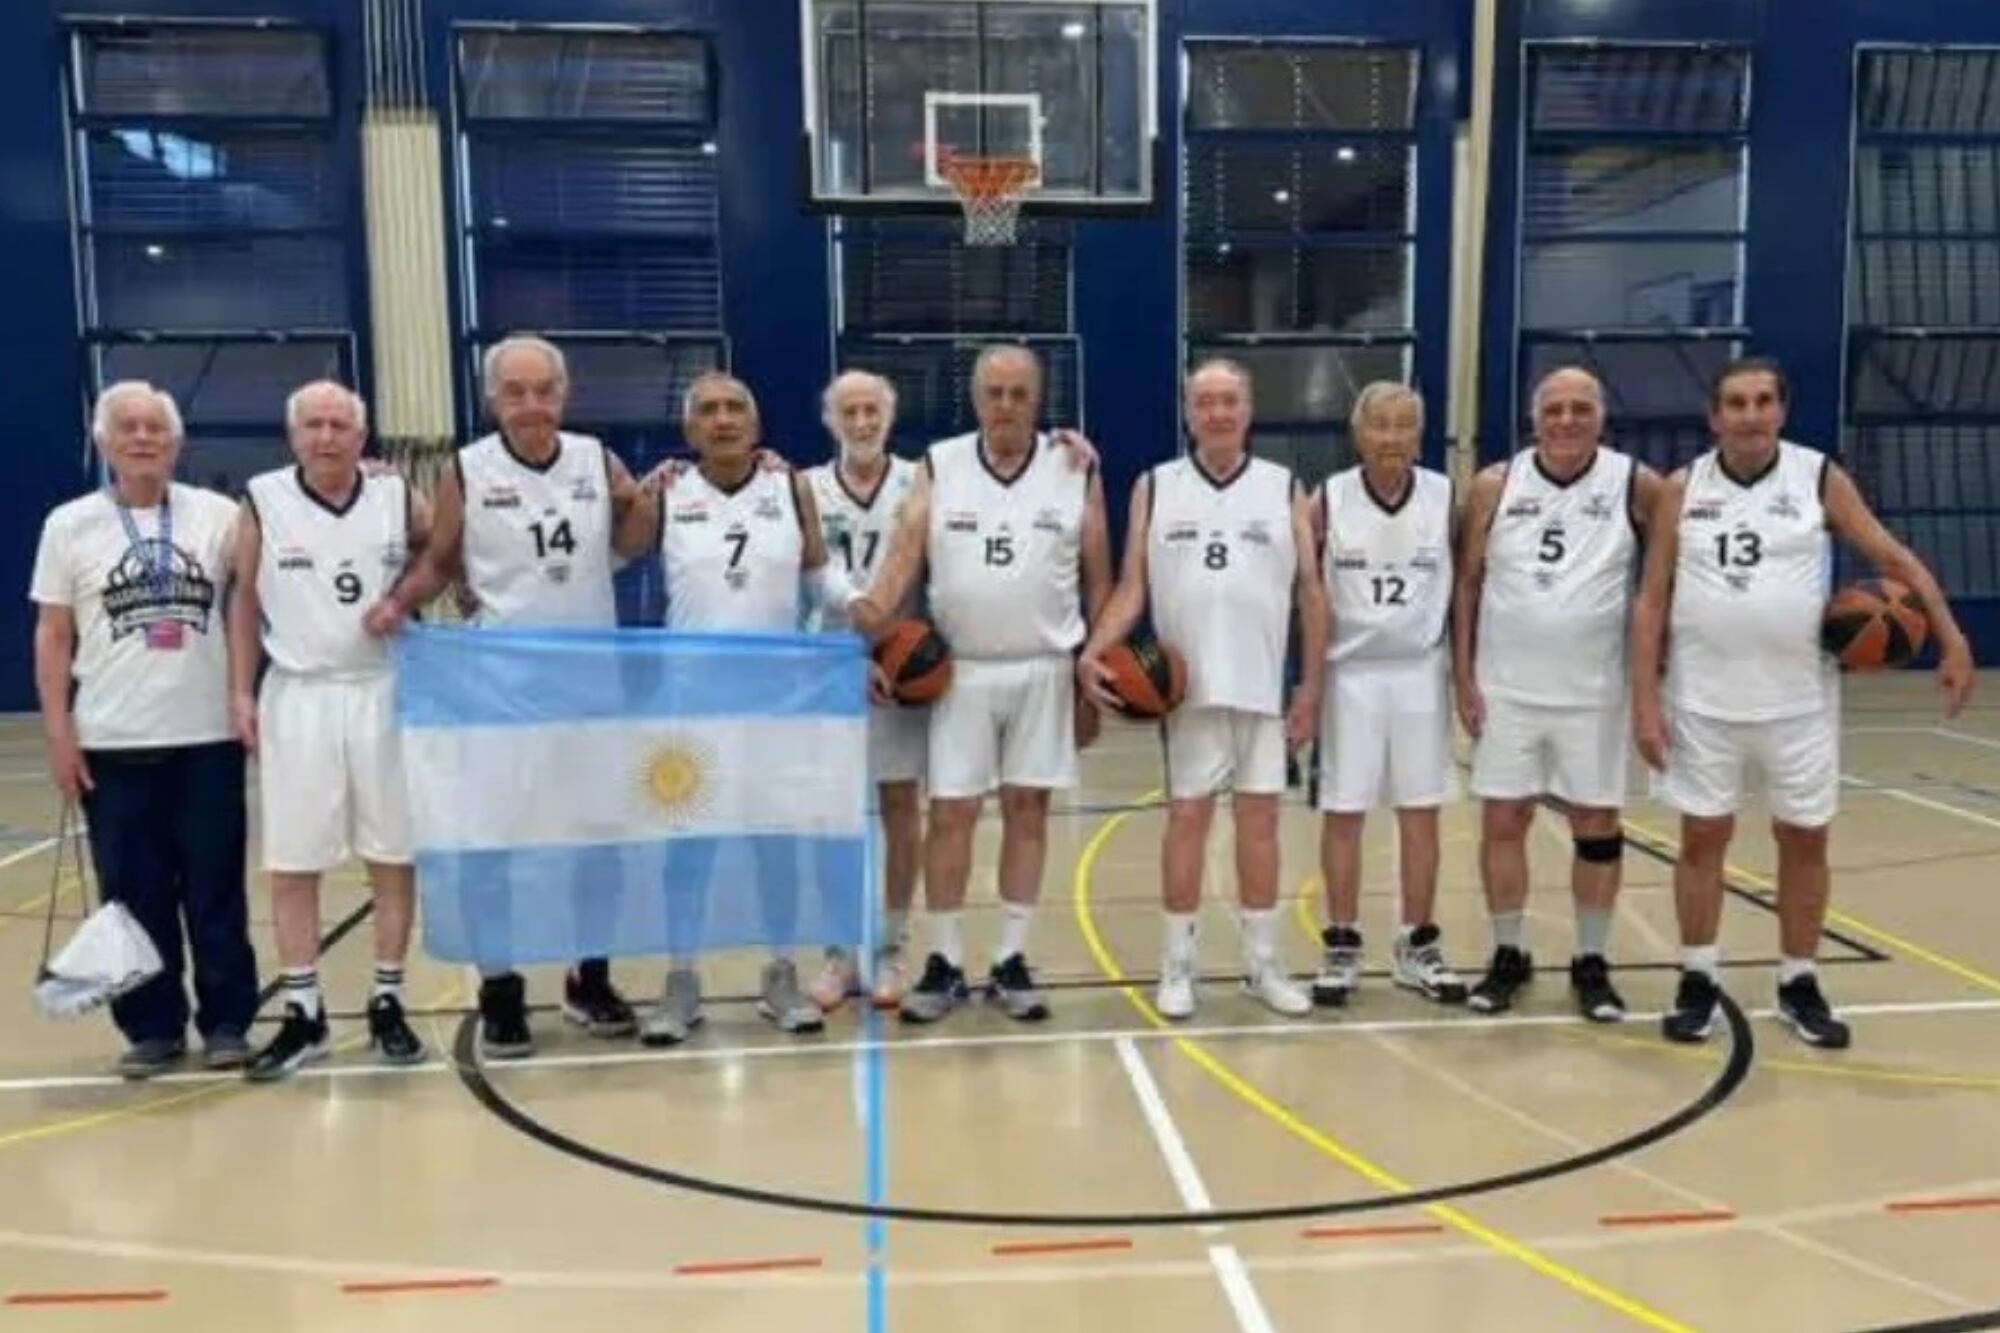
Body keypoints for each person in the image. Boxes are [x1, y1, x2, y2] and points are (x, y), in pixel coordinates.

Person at [1633, 357, 1974, 1048]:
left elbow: (1891, 555)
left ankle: (1798, 978)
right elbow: (1651, 600)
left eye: (1763, 401)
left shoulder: (1818, 476)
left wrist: (1951, 636)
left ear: (1782, 410)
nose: (1751, 414)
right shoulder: (1681, 487)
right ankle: (1697, 975)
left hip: (1798, 702)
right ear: (1715, 416)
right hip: (1702, 700)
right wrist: (1644, 698)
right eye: (1736, 402)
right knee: (1702, 839)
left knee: (1805, 838)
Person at [363, 335, 659, 1057]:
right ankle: (500, 988)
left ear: (563, 394)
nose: (531, 405)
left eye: (543, 390)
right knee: (497, 845)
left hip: (589, 691)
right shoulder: (468, 468)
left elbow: (638, 537)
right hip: (498, 697)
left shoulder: (598, 460)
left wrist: (654, 494)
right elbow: (439, 561)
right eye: (515, 392)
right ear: (492, 398)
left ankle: (589, 978)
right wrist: (398, 605)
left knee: (597, 845)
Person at [851, 344, 1114, 1024]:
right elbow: (900, 564)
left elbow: (1101, 580)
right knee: (952, 814)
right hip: (958, 670)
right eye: (993, 392)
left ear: (1038, 398)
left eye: (1018, 393)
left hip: (1045, 667)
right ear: (974, 399)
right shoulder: (940, 464)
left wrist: (1094, 678)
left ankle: (1009, 957)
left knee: (1029, 810)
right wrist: (865, 642)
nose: (1004, 405)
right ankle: (943, 960)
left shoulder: (1075, 467)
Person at [1077, 359, 1322, 1019]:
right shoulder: (1155, 487)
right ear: (1188, 412)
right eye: (1204, 401)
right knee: (1186, 821)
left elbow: (1311, 594)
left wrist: (1311, 690)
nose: (1217, 412)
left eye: (1229, 401)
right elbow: (1132, 585)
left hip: (1263, 689)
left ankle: (1262, 964)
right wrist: (1093, 651)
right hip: (1186, 695)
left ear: (1247, 411)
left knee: (1262, 827)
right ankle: (1177, 964)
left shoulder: (1285, 486)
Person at [30, 381, 258, 1078]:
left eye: (155, 427)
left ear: (176, 442)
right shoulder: (68, 524)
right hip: (113, 739)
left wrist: (242, 693)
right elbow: (52, 634)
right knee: (134, 893)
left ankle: (227, 1022)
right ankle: (153, 1027)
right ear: (103, 442)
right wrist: (59, 734)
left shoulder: (219, 515)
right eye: (126, 427)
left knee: (216, 887)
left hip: (207, 736)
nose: (141, 437)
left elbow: (247, 603)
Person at [638, 372, 857, 1045]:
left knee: (775, 843)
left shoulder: (790, 489)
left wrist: (866, 612)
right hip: (689, 705)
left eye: (736, 408)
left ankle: (781, 971)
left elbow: (821, 577)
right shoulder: (667, 495)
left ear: (756, 425)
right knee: (687, 848)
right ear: (689, 429)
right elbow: (596, 554)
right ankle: (681, 981)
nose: (724, 419)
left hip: (775, 705)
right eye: (708, 410)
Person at [228, 382, 427, 1081]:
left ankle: (387, 998)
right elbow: (243, 599)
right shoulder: (261, 498)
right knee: (294, 859)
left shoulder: (398, 495)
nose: (326, 435)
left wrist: (407, 597)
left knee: (392, 852)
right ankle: (304, 1011)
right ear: (293, 435)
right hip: (300, 694)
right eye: (312, 423)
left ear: (361, 433)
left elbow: (440, 557)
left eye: (340, 423)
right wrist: (239, 689)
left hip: (383, 688)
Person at [1452, 367, 1658, 1021]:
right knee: (1502, 821)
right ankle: (1509, 951)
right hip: (1508, 689)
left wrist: (1653, 687)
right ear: (1534, 417)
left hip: (1594, 692)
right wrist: (1463, 675)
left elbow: (1662, 587)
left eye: (1580, 409)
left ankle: (1591, 959)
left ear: (1601, 415)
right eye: (1554, 409)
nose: (1566, 420)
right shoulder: (1494, 483)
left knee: (1596, 826)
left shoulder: (1638, 484)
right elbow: (1466, 586)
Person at [1310, 382, 1466, 1007]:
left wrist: (1468, 677)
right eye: (1380, 424)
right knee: (1344, 813)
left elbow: (1467, 590)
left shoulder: (1449, 496)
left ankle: (1417, 944)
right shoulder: (1325, 500)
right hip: (1350, 676)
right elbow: (1306, 592)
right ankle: (1342, 945)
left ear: (1420, 435)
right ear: (1358, 434)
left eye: (1404, 425)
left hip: (1420, 673)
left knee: (1420, 811)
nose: (1392, 437)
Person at [802, 370, 927, 1012]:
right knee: (833, 815)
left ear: (890, 415)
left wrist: (895, 651)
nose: (861, 422)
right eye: (848, 411)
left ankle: (891, 945)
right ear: (831, 420)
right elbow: (803, 581)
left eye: (872, 410)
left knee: (901, 804)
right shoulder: (804, 487)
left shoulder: (919, 481)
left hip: (898, 671)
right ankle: (838, 953)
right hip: (830, 667)